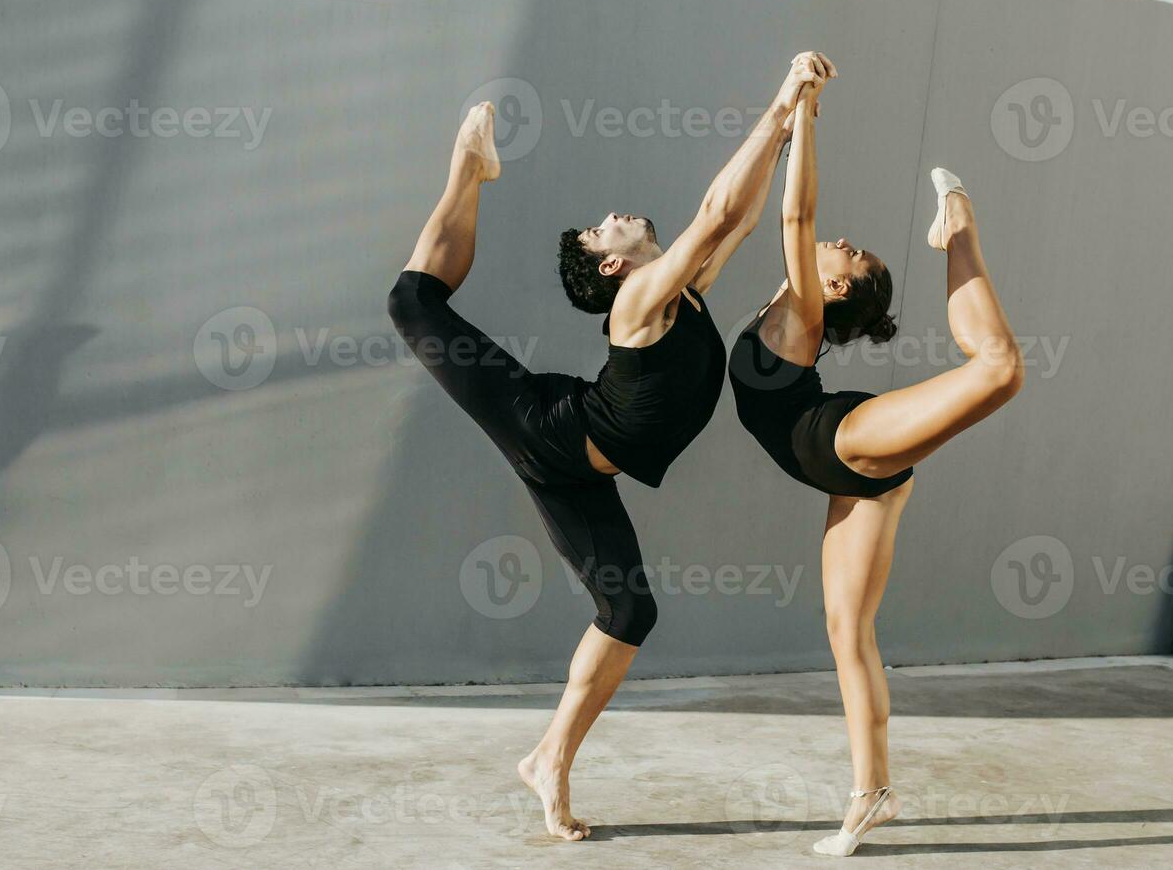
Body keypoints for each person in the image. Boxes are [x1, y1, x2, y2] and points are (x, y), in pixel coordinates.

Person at [387, 55, 819, 840]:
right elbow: (718, 212)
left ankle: (547, 760)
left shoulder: (681, 290)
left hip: (579, 468)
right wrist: (780, 97)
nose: (608, 218)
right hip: (541, 427)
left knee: (628, 610)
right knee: (411, 300)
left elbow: (742, 217)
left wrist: (789, 126)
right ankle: (468, 168)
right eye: (599, 232)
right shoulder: (638, 302)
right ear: (615, 267)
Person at [726, 57, 1025, 857]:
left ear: (838, 292)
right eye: (855, 249)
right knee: (846, 629)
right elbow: (751, 213)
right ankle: (873, 793)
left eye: (855, 262)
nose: (848, 244)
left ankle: (958, 224)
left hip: (841, 440)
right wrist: (781, 112)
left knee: (998, 370)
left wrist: (810, 114)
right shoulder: (785, 302)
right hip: (842, 476)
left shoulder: (803, 313)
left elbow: (796, 218)